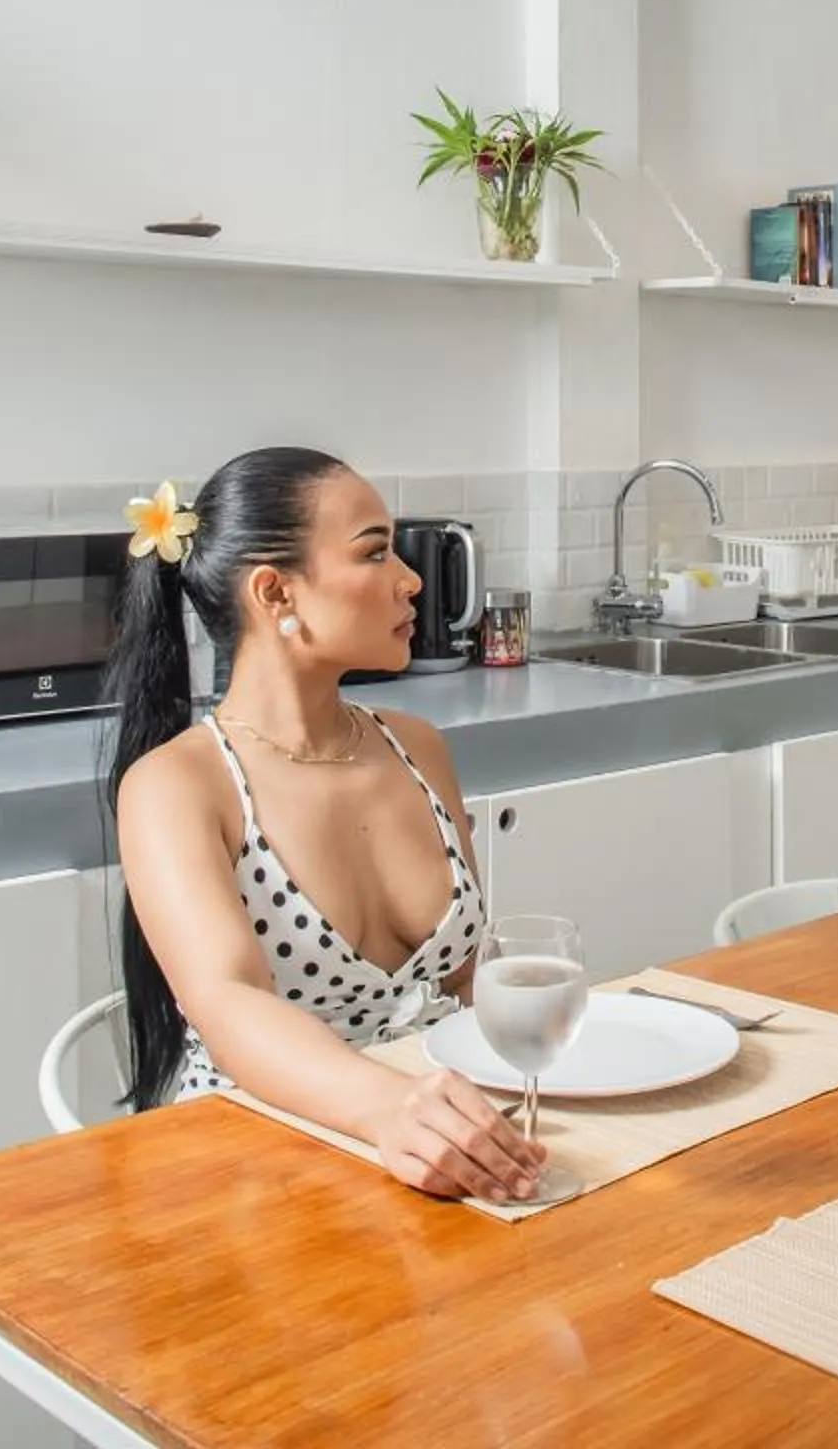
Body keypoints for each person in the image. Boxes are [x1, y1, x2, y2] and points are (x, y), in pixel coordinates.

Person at [101, 447, 545, 1204]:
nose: (410, 580)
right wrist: (388, 1109)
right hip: (248, 1173)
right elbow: (231, 1002)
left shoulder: (417, 748)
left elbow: (468, 983)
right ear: (275, 593)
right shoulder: (177, 786)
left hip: (426, 1157)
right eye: (375, 552)